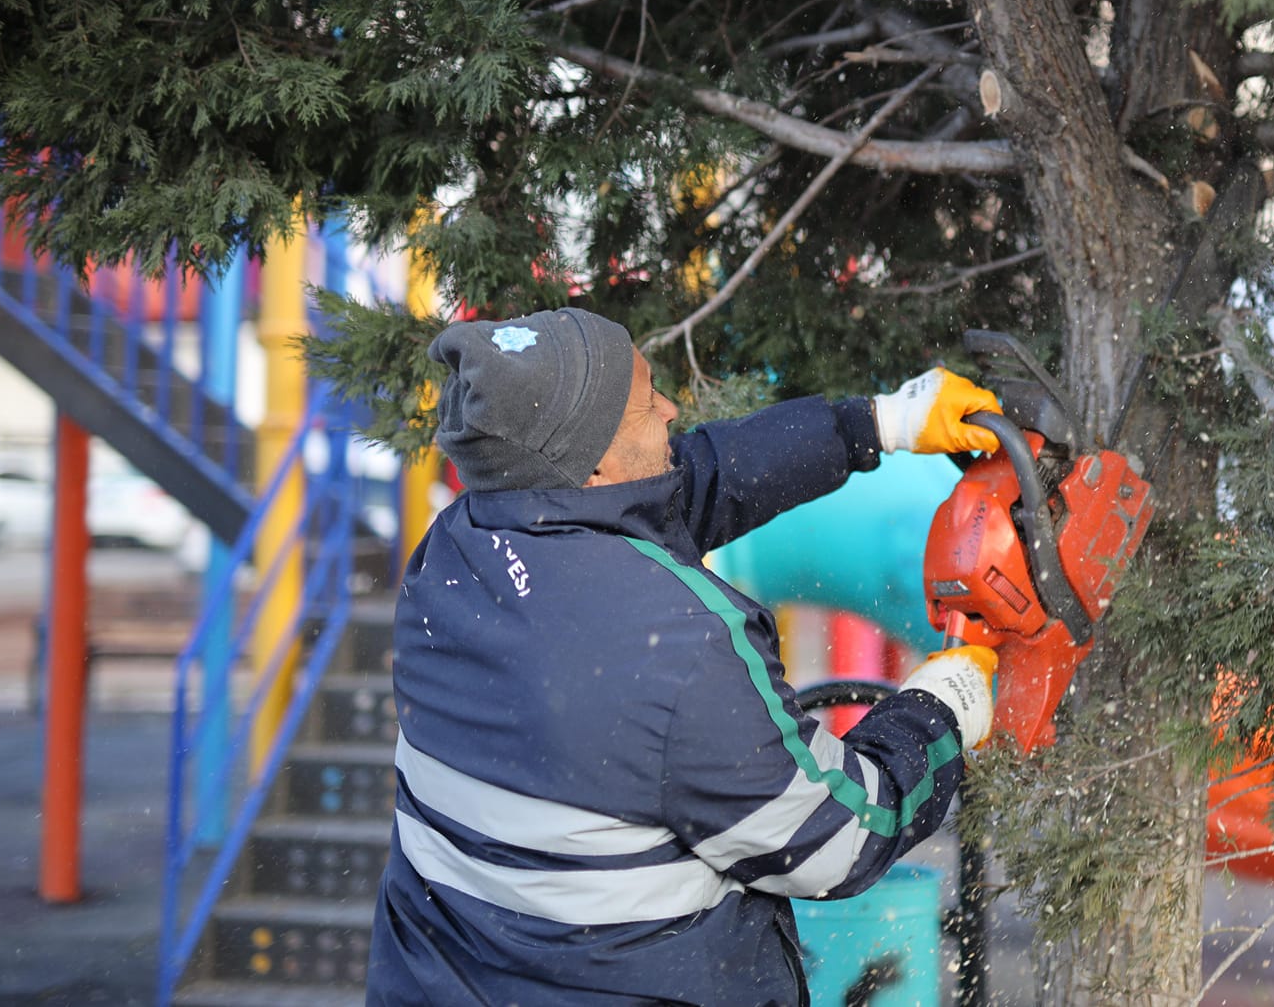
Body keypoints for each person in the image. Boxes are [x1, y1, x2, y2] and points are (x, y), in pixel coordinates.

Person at [366, 306, 1003, 1007]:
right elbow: (838, 837)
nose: (669, 408)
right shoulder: (680, 653)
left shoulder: (458, 548)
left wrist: (873, 424)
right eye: (647, 399)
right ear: (596, 460)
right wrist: (939, 712)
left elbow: (684, 484)